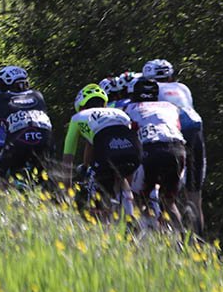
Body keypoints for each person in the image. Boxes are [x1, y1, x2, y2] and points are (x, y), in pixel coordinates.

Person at [144, 59, 206, 233]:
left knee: (166, 195)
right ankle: (198, 241)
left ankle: (172, 237)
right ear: (171, 76)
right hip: (196, 132)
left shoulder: (153, 89)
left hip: (174, 135)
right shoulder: (183, 87)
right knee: (194, 196)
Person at [66, 83, 139, 219]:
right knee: (122, 178)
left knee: (95, 198)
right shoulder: (119, 112)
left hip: (107, 152)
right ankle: (130, 215)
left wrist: (67, 187)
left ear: (81, 107)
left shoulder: (78, 117)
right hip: (133, 151)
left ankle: (102, 221)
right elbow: (91, 144)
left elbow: (68, 154)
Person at [124, 76, 187, 226]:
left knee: (139, 197)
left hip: (150, 150)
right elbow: (178, 127)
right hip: (177, 149)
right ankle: (181, 237)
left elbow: (130, 135)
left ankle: (145, 233)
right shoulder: (171, 106)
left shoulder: (130, 108)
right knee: (169, 201)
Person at [0, 65, 53, 181]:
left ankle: (0, 188)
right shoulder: (38, 95)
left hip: (18, 142)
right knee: (44, 177)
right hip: (45, 140)